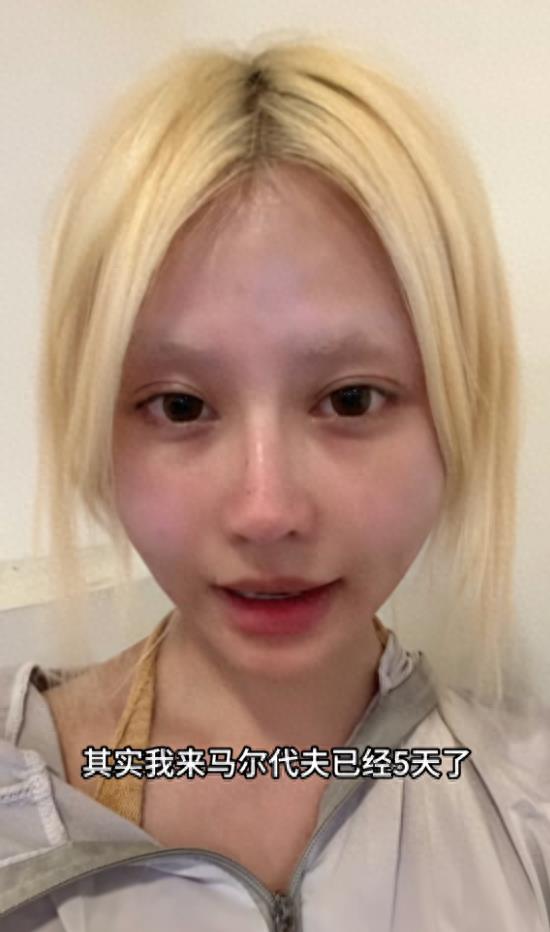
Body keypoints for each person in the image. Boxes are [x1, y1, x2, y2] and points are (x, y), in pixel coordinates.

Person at [0, 37, 548, 931]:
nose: (267, 511)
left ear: (457, 410)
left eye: (352, 399)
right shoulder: (20, 799)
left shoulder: (527, 812)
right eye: (180, 407)